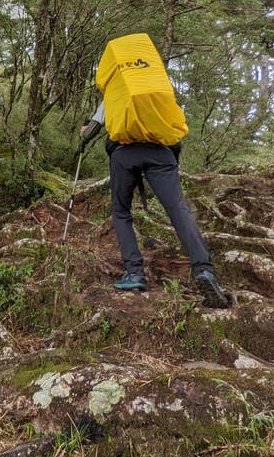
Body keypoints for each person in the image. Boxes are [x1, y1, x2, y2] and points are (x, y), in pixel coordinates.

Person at [81, 89, 231, 310]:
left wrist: (83, 134)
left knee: (121, 211)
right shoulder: (158, 89)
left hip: (125, 153)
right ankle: (204, 270)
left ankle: (134, 273)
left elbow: (93, 127)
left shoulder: (117, 92)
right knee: (178, 209)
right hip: (161, 153)